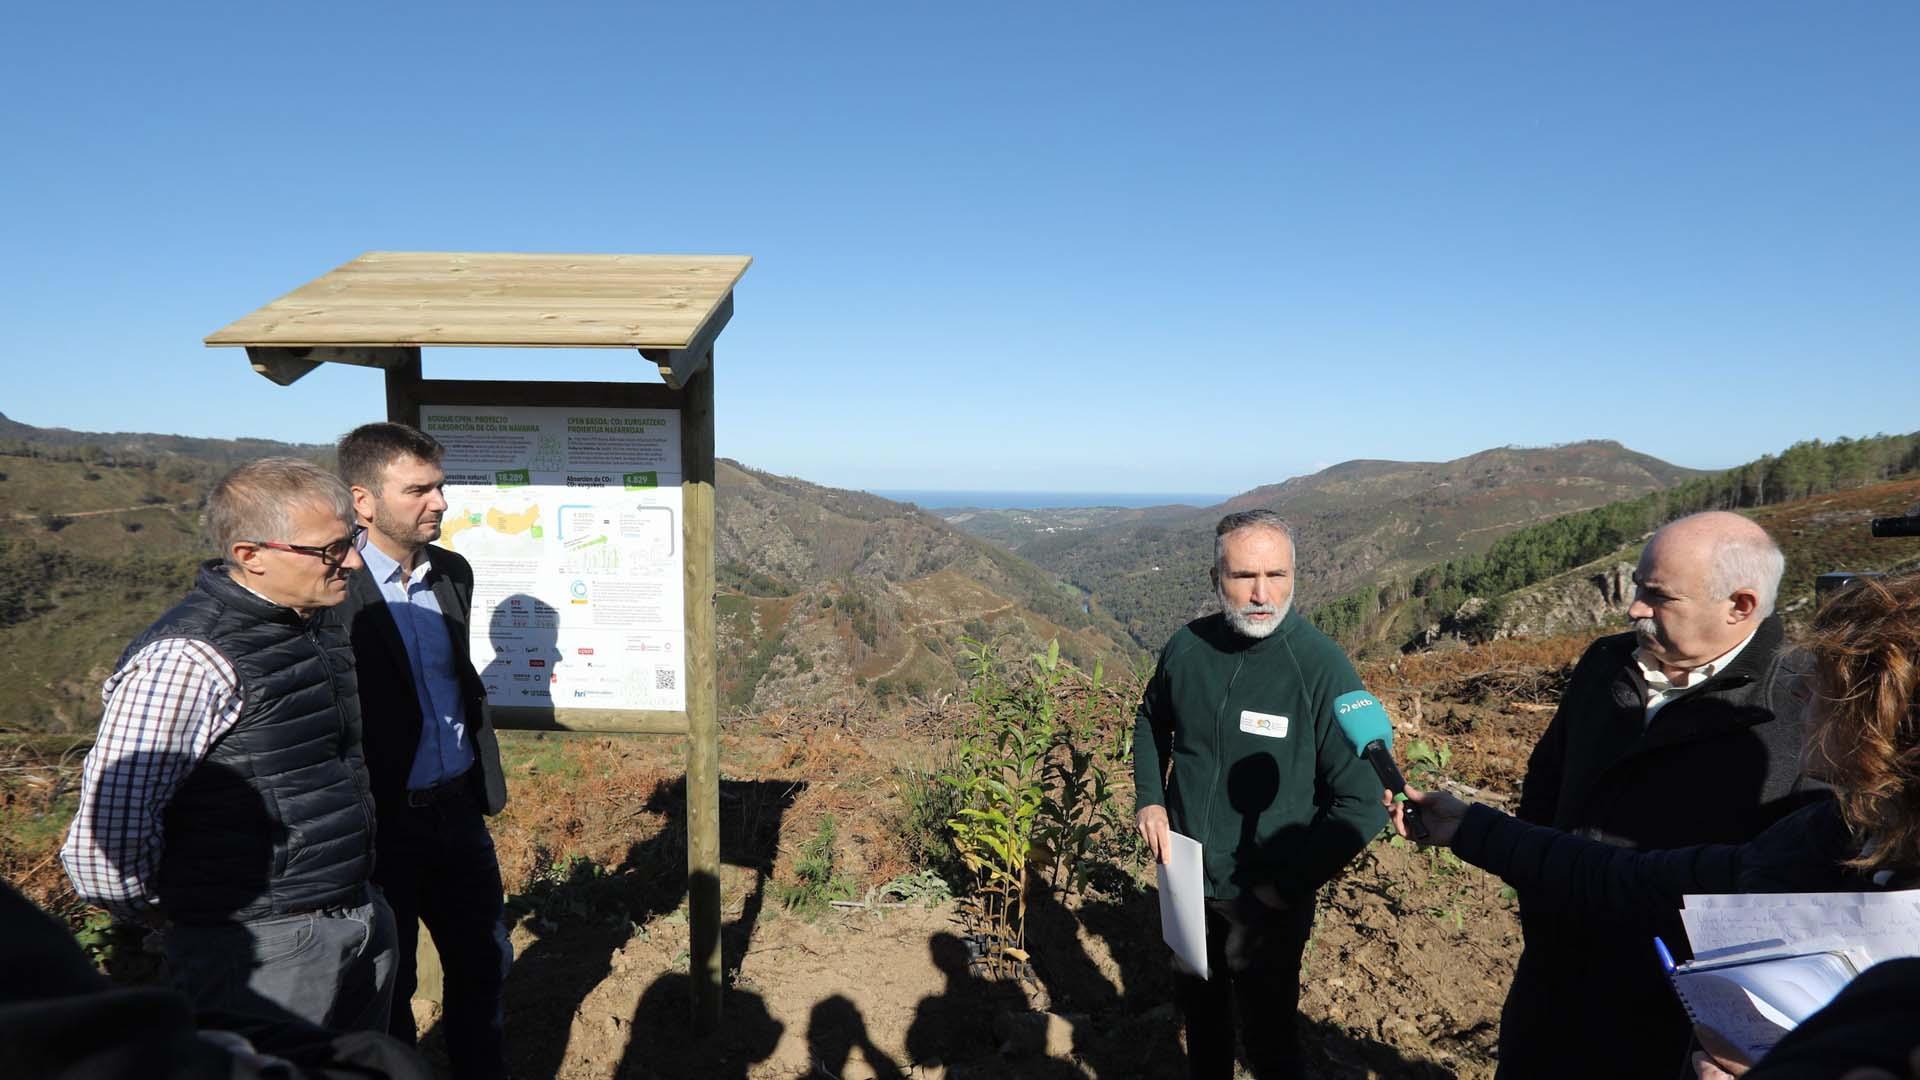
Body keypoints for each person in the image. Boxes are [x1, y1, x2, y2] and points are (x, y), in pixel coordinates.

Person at [1389, 570, 1920, 1079]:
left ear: (1887, 717)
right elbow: (1638, 878)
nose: (1803, 694)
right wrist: (1471, 827)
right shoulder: (1829, 837)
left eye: (1825, 684)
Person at [60, 458, 395, 1032]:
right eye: (331, 550)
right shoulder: (189, 659)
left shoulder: (312, 623)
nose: (355, 562)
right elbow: (104, 838)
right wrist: (180, 914)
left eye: (353, 540)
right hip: (263, 945)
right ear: (250, 555)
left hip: (355, 910)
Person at [1492, 510, 1825, 1078]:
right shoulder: (1605, 664)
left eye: (1658, 595)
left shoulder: (1802, 705)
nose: (1635, 609)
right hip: (1554, 982)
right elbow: (1544, 787)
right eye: (1638, 588)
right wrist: (1542, 904)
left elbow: (1802, 888)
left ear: (1739, 606)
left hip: (1682, 1018)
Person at [1132, 509, 1387, 1079]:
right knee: (1201, 1018)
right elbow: (1150, 721)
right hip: (1186, 877)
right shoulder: (1187, 648)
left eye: (1277, 575)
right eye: (1244, 576)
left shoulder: (1320, 668)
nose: (1261, 594)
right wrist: (1150, 797)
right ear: (1215, 578)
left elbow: (1362, 801)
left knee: (1270, 1036)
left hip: (1266, 900)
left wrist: (1284, 887)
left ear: (1296, 575)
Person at [335, 422, 510, 1079]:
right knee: (391, 977)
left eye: (440, 486)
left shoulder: (452, 575)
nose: (439, 502)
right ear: (364, 501)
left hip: (458, 809)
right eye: (419, 490)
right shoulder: (332, 591)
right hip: (382, 820)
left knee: (485, 961)